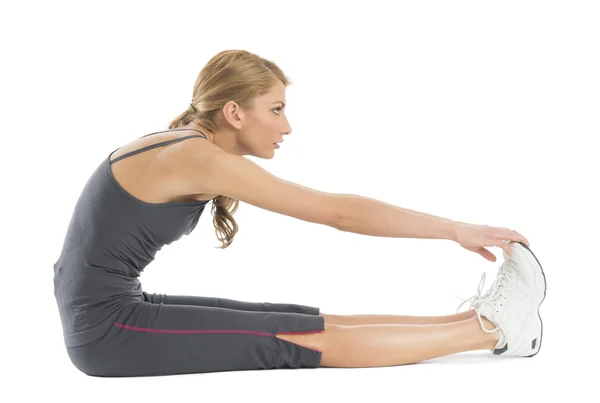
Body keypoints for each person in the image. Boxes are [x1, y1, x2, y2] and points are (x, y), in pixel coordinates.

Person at [53, 49, 546, 377]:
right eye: (275, 109)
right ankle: (495, 331)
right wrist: (453, 229)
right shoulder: (196, 157)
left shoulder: (185, 144)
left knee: (299, 318)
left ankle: (469, 322)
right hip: (106, 330)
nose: (286, 125)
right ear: (233, 112)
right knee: (292, 340)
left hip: (110, 310)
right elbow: (339, 213)